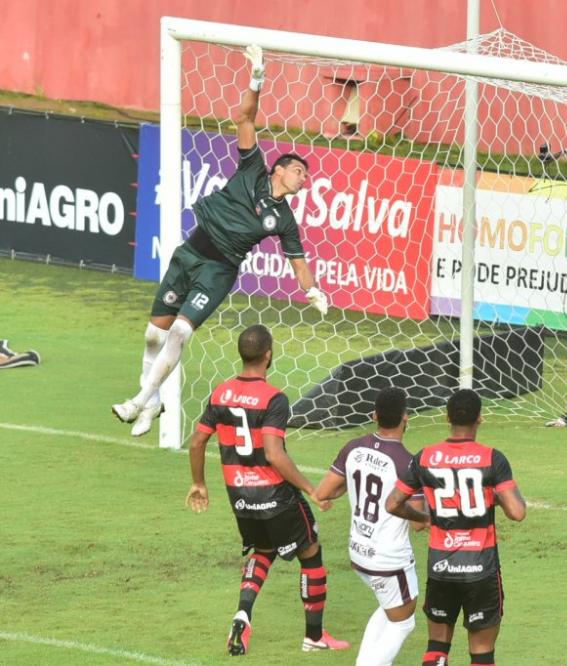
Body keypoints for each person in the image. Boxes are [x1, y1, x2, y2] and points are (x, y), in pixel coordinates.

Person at [112, 44, 328, 437]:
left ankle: (139, 401)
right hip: (190, 252)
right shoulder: (252, 169)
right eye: (299, 170)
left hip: (217, 270)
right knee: (152, 335)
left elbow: (298, 262)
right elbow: (245, 116)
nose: (304, 178)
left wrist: (314, 291)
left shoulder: (284, 219)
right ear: (279, 170)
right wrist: (257, 79)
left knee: (178, 332)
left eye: (305, 175)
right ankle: (154, 402)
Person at [185, 324, 349, 655]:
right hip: (276, 496)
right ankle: (314, 636)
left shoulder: (220, 393)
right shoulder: (274, 398)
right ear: (268, 354)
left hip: (240, 497)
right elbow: (274, 453)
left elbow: (197, 441)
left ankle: (242, 613)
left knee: (264, 550)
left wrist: (199, 483)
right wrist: (310, 489)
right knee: (311, 553)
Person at [386, 389, 526, 666]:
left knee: (436, 649)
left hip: (441, 568)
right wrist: (493, 499)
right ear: (480, 419)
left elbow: (392, 504)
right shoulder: (492, 458)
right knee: (482, 652)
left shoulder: (425, 457)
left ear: (447, 417)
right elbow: (517, 512)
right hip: (480, 569)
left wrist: (425, 518)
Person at [314, 387, 428, 666]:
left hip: (358, 552)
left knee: (389, 608)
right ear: (406, 417)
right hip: (388, 558)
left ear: (374, 415)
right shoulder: (407, 462)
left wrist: (350, 486)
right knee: (404, 622)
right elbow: (417, 525)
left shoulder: (354, 447)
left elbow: (323, 492)